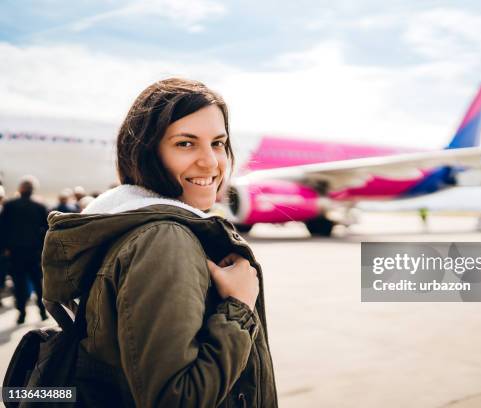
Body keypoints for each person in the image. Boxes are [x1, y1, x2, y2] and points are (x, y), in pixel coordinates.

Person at [41, 78, 277, 407]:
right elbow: (176, 399)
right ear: (146, 151)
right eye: (185, 143)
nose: (211, 162)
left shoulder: (123, 221)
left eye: (218, 143)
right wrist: (239, 307)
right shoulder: (164, 240)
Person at [0, 177, 48, 324]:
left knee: (19, 282)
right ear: (33, 190)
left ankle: (21, 312)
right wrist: (41, 248)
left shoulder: (9, 206)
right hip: (34, 251)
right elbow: (46, 230)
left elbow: (2, 229)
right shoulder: (39, 207)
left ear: (20, 189)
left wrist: (4, 248)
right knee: (37, 281)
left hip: (15, 252)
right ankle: (42, 310)